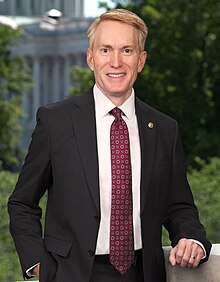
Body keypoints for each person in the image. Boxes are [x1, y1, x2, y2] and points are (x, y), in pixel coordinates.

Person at [8, 9, 211, 282]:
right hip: (72, 274)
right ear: (91, 59)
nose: (116, 62)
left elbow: (179, 207)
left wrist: (191, 238)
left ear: (141, 60)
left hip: (143, 273)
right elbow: (22, 202)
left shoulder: (164, 128)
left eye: (127, 51)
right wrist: (38, 264)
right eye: (105, 50)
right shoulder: (56, 122)